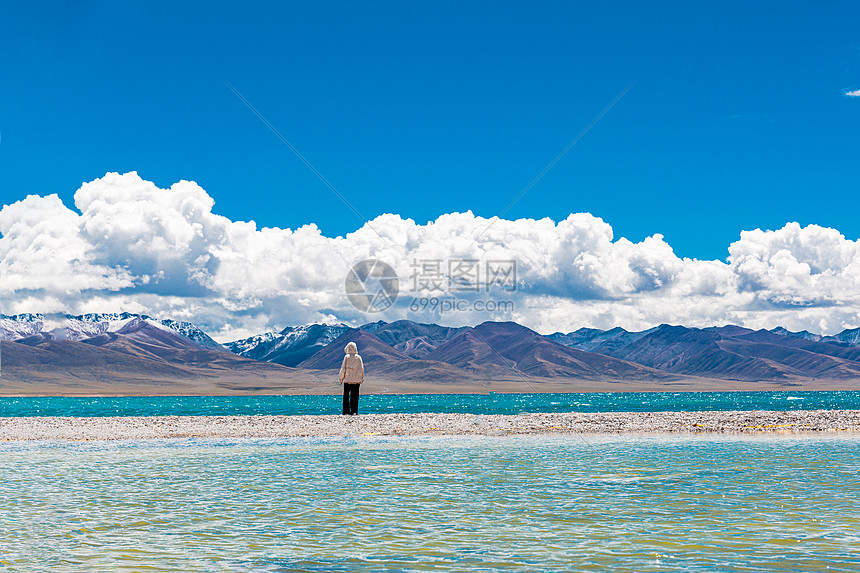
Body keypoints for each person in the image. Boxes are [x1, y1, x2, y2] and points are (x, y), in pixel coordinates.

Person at [339, 341, 364, 415]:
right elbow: (362, 369)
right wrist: (362, 378)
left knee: (346, 397)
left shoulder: (347, 357)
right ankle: (354, 411)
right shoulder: (359, 357)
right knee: (355, 397)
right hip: (356, 381)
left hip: (347, 381)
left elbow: (343, 369)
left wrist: (341, 378)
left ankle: (346, 412)